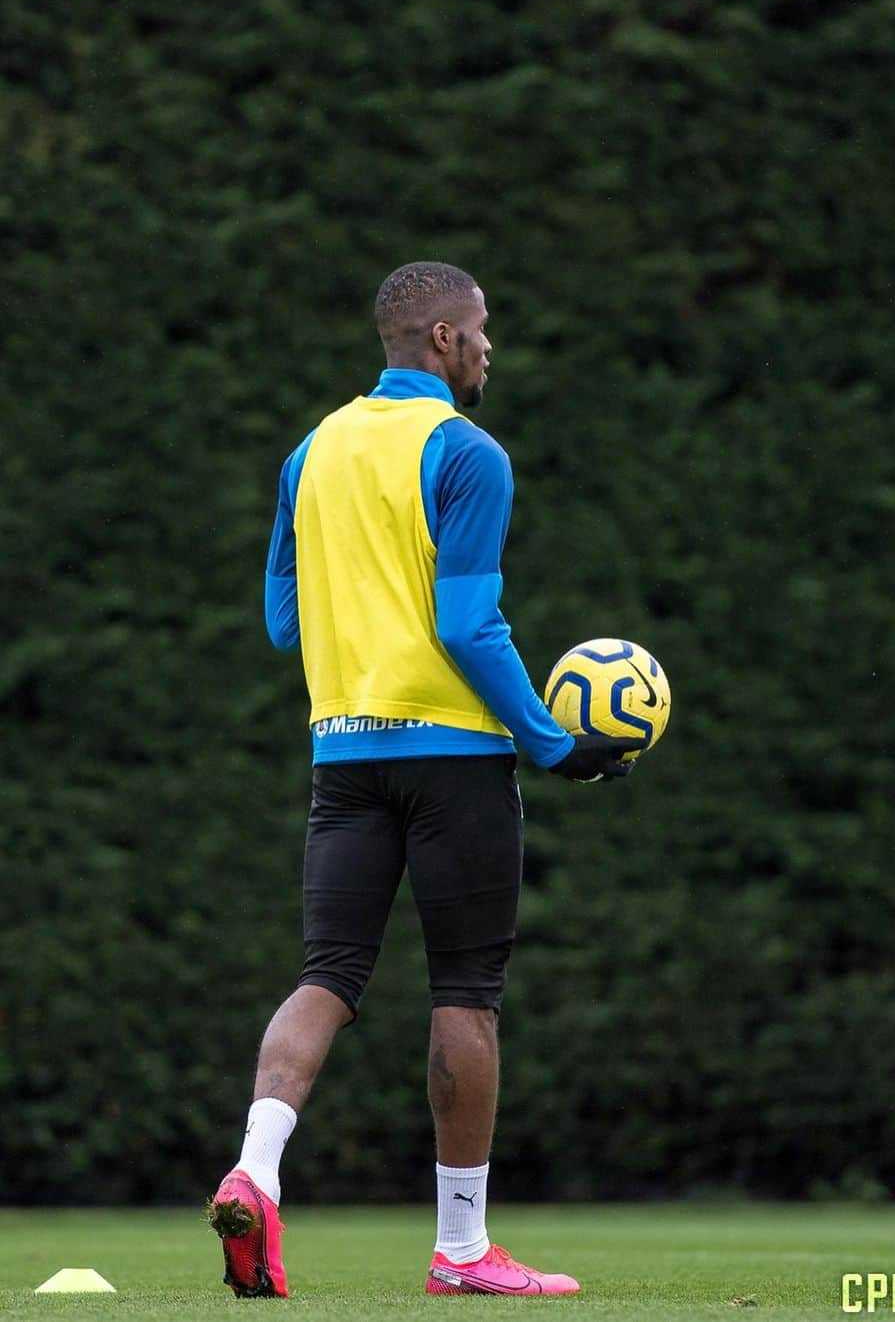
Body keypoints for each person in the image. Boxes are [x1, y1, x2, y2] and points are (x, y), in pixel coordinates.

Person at [206, 261, 639, 1297]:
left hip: (343, 752)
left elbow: (282, 622)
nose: (491, 346)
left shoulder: (310, 452)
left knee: (328, 974)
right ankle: (461, 1249)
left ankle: (254, 1169)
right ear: (443, 338)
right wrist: (550, 738)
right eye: (483, 329)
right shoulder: (468, 451)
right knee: (466, 995)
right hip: (454, 759)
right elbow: (464, 622)